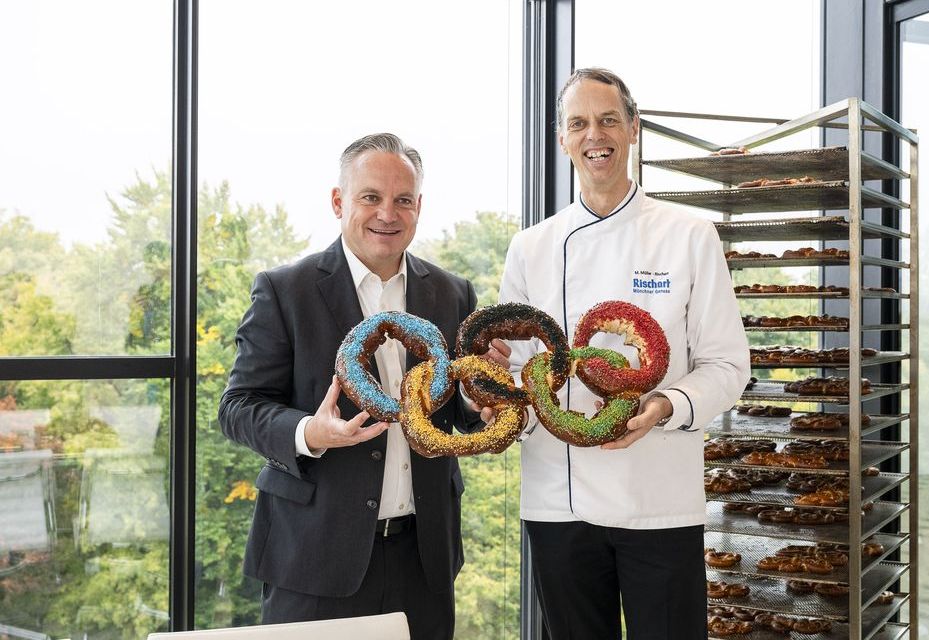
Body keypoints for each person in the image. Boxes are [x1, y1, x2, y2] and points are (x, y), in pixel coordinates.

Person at [498, 68, 750, 639]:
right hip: (557, 502)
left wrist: (664, 405)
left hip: (659, 497)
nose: (595, 135)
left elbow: (728, 365)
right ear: (562, 138)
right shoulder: (531, 248)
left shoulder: (689, 236)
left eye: (609, 119)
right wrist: (497, 400)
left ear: (633, 128)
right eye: (579, 123)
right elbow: (519, 373)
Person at [219, 132, 487, 639]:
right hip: (314, 557)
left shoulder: (453, 294)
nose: (387, 213)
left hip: (424, 558)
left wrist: (477, 403)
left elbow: (458, 411)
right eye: (371, 197)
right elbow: (238, 407)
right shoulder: (285, 290)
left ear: (419, 207)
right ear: (339, 201)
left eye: (403, 200)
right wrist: (309, 433)